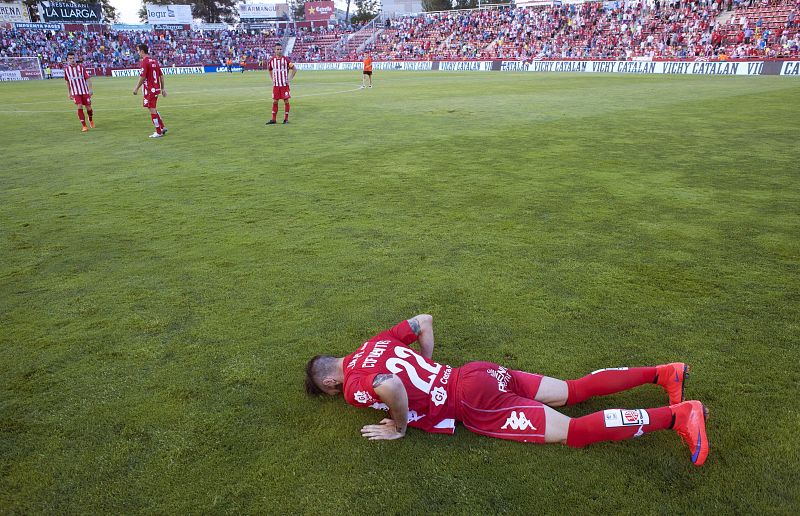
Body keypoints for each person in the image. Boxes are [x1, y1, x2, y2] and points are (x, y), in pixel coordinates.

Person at [305, 314, 710, 466]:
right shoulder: (372, 344)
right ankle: (665, 373)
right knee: (573, 389)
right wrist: (431, 365)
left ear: (329, 382)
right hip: (478, 372)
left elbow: (390, 385)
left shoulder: (353, 386)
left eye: (331, 393)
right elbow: (423, 321)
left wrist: (399, 427)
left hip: (474, 403)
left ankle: (680, 416)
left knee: (575, 431)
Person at [132, 44, 168, 139]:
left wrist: (136, 88)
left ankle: (158, 132)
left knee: (152, 109)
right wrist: (162, 88)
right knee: (153, 109)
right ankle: (162, 127)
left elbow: (143, 77)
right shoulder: (154, 61)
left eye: (138, 51)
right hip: (155, 89)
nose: (138, 53)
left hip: (150, 90)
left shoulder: (145, 62)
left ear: (142, 51)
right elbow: (161, 76)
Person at [266, 43, 296, 125]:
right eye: (277, 49)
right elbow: (269, 69)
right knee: (275, 101)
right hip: (276, 85)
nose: (279, 51)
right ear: (274, 50)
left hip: (284, 85)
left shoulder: (286, 60)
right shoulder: (272, 61)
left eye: (280, 49)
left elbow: (294, 69)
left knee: (286, 101)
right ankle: (273, 119)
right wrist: (272, 79)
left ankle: (286, 119)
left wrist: (289, 79)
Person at [63, 52, 93, 132]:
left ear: (75, 58)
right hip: (75, 92)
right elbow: (68, 82)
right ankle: (84, 126)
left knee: (89, 108)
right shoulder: (67, 70)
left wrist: (90, 89)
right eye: (70, 58)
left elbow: (88, 79)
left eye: (73, 58)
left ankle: (90, 119)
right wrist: (69, 93)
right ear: (67, 60)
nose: (72, 60)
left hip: (84, 91)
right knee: (79, 106)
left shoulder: (81, 68)